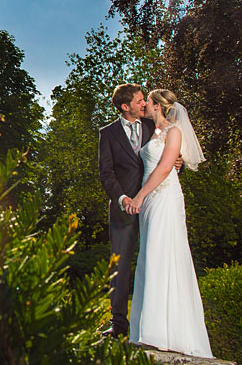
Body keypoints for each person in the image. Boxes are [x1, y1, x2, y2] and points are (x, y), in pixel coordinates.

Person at [124, 89, 212, 358]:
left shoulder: (174, 132)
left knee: (164, 256)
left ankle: (163, 332)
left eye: (147, 101)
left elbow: (164, 168)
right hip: (150, 201)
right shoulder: (151, 131)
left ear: (157, 106)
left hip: (164, 198)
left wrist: (139, 196)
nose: (144, 105)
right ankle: (147, 329)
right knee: (150, 258)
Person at [97, 83, 156, 338]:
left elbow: (167, 158)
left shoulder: (154, 127)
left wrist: (178, 162)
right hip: (123, 211)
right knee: (119, 266)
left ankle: (151, 323)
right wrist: (122, 199)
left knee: (154, 262)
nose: (144, 104)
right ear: (125, 106)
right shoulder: (107, 133)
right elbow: (106, 173)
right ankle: (118, 322)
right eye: (140, 100)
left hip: (154, 205)